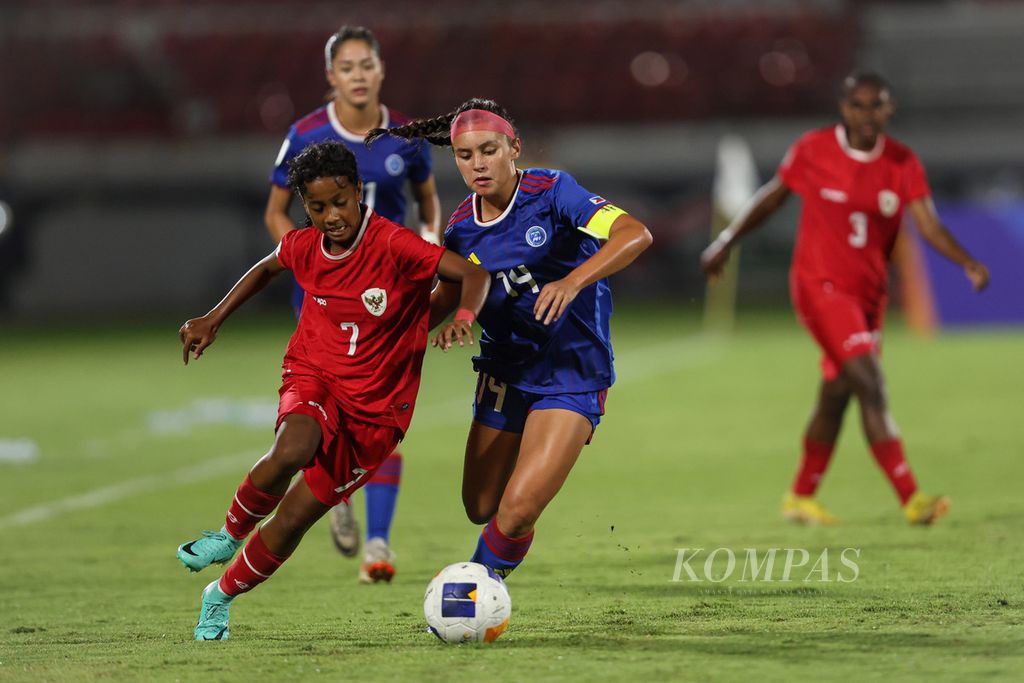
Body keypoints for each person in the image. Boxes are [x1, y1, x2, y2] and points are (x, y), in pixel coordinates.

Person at [176, 141, 489, 640]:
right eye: (317, 207)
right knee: (294, 446)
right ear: (305, 204)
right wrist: (214, 318)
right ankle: (226, 534)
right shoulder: (304, 244)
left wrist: (464, 316)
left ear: (357, 193)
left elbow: (471, 272)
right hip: (314, 374)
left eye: (339, 202)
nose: (331, 216)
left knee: (294, 519)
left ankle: (220, 595)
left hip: (378, 411)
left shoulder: (393, 244)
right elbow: (266, 268)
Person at [368, 98, 653, 577]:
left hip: (571, 371)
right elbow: (447, 294)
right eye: (464, 155)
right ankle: (505, 538)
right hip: (504, 372)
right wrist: (389, 332)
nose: (478, 164)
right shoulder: (460, 229)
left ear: (513, 148)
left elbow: (634, 233)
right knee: (481, 506)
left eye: (488, 150)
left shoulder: (554, 191)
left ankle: (475, 589)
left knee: (517, 510)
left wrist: (572, 281)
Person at [700, 72, 990, 526]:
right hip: (821, 287)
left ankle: (800, 496)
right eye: (858, 105)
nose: (867, 114)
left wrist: (967, 262)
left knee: (839, 393)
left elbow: (928, 224)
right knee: (872, 384)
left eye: (877, 105)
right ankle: (913, 499)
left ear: (890, 109)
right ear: (843, 107)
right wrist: (726, 240)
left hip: (868, 296)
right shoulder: (814, 149)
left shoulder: (901, 161)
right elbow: (773, 197)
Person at [264, 26, 442, 581]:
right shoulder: (305, 133)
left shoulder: (406, 137)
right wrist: (301, 257)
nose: (358, 75)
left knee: (379, 414)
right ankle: (337, 494)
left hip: (388, 305)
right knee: (326, 419)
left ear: (381, 70)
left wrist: (431, 245)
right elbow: (275, 211)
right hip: (324, 302)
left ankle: (378, 546)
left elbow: (427, 203)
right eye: (347, 67)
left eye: (367, 65)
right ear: (331, 76)